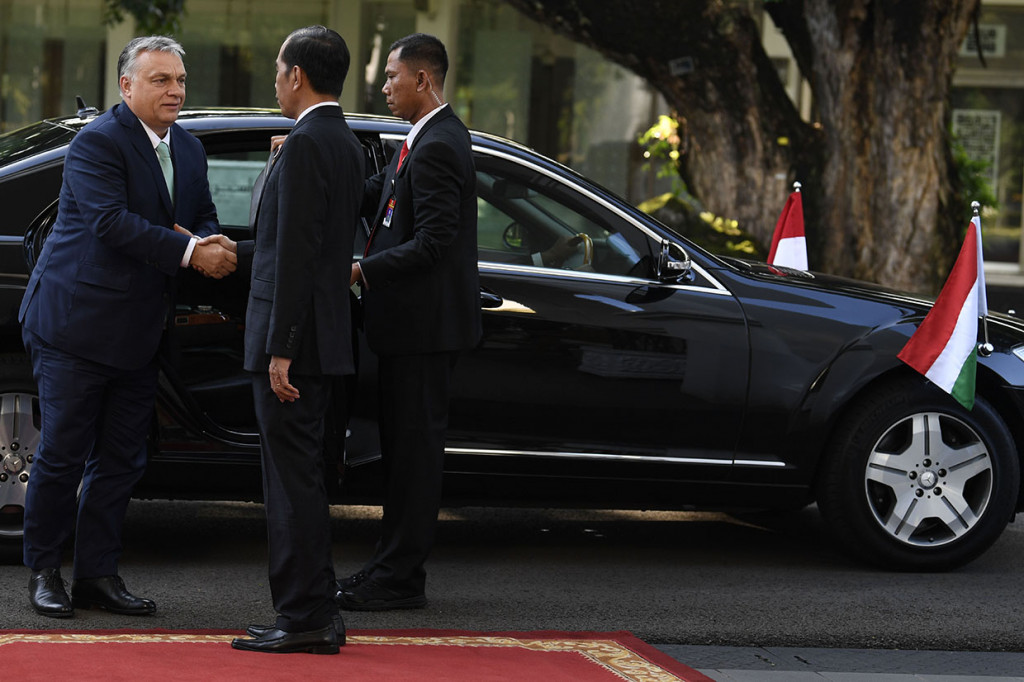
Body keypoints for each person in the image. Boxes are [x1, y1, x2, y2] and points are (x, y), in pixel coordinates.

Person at [19, 35, 236, 618]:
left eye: (181, 80)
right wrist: (192, 255)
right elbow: (112, 224)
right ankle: (43, 571)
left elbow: (201, 213)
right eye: (161, 80)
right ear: (127, 86)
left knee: (120, 461)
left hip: (140, 331)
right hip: (75, 326)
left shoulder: (188, 148)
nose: (176, 90)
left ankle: (97, 575)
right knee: (62, 455)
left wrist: (210, 237)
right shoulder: (97, 143)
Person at [228, 26, 363, 655]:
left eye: (279, 70)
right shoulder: (342, 139)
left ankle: (304, 616)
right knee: (300, 477)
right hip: (318, 338)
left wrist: (281, 346)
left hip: (294, 346)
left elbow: (301, 256)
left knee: (291, 483)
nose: (276, 81)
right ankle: (314, 611)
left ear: (298, 77)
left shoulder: (309, 143)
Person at [338, 33, 481, 611]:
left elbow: (433, 243)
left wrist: (360, 272)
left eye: (393, 76)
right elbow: (376, 195)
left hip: (424, 333)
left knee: (415, 462)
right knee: (400, 458)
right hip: (407, 332)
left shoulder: (441, 143)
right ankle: (389, 567)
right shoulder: (419, 138)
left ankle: (399, 579)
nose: (384, 86)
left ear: (423, 79)